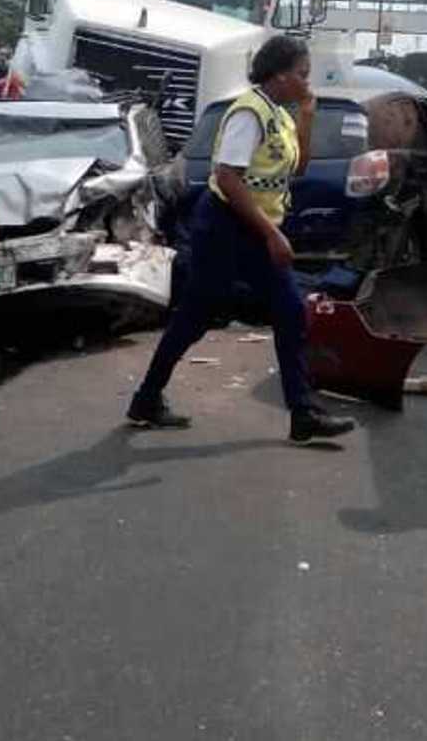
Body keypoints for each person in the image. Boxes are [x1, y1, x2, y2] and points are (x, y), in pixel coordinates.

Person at [127, 35, 356, 444]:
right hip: (225, 227)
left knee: (290, 312)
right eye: (302, 75)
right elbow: (229, 177)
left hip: (253, 226)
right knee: (194, 318)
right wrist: (272, 235)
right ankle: (146, 397)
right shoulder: (248, 113)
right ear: (281, 76)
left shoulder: (280, 113)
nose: (308, 82)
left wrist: (307, 113)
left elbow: (297, 167)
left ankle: (302, 414)